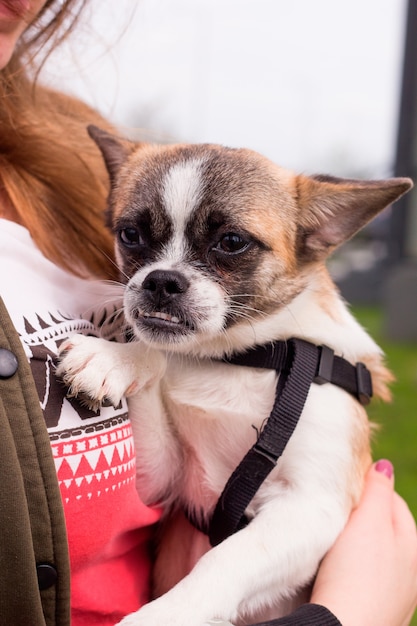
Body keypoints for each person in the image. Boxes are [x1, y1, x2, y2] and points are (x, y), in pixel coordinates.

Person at [0, 1, 416, 625]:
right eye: (137, 238)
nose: (165, 277)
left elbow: (313, 510)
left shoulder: (320, 371)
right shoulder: (176, 350)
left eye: (229, 246)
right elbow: (158, 478)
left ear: (320, 231)